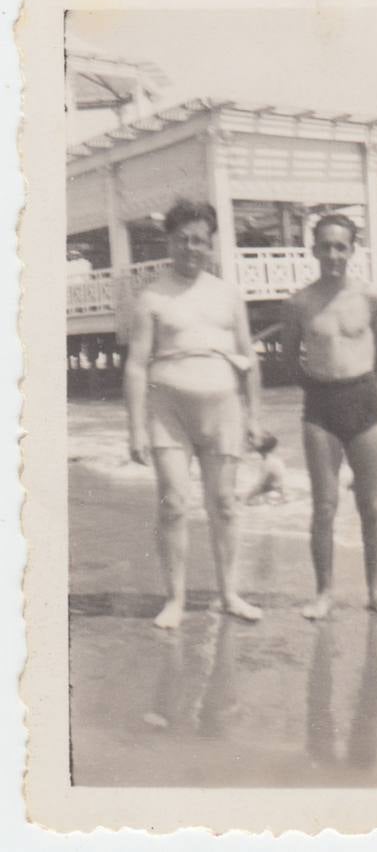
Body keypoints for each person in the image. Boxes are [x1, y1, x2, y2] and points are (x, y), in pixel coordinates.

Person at [124, 198, 263, 628]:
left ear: (211, 244)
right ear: (169, 240)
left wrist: (255, 417)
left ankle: (229, 594)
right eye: (183, 240)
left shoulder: (228, 294)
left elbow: (248, 357)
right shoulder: (151, 297)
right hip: (169, 411)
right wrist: (135, 429)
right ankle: (176, 599)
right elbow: (135, 364)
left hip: (223, 409)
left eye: (200, 241)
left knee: (223, 504)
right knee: (174, 504)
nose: (191, 248)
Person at [282, 213, 377, 620]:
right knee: (325, 506)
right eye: (326, 246)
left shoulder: (372, 299)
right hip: (320, 407)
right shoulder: (299, 302)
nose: (333, 254)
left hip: (363, 401)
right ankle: (324, 593)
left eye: (341, 246)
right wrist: (320, 387)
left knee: (370, 504)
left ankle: (376, 592)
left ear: (352, 250)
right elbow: (290, 360)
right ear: (313, 249)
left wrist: (361, 386)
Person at [243, 433, 287, 505]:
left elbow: (259, 486)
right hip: (278, 494)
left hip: (271, 496)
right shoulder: (276, 460)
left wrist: (246, 499)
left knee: (243, 503)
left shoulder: (267, 462)